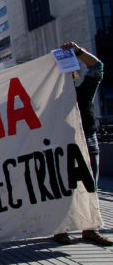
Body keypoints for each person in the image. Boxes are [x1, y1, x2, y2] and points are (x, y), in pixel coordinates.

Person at [53, 42, 113, 246]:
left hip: (88, 141)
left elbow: (97, 67)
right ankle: (61, 229)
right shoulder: (50, 100)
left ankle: (90, 228)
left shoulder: (84, 91)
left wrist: (77, 51)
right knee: (63, 187)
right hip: (63, 146)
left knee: (90, 187)